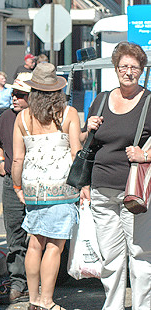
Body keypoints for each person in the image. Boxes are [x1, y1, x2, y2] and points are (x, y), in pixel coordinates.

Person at [81, 41, 151, 310]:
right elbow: (86, 143)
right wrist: (88, 128)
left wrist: (145, 156)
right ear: (115, 68)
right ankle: (113, 306)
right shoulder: (101, 100)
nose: (128, 71)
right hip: (101, 190)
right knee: (110, 257)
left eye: (134, 67)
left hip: (135, 192)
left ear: (141, 70)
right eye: (124, 66)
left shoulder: (148, 101)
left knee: (140, 255)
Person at [12, 63, 81, 310]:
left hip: (32, 188)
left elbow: (18, 158)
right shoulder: (68, 113)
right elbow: (76, 153)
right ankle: (47, 300)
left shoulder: (22, 118)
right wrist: (83, 186)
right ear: (57, 90)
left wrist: (18, 187)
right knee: (54, 245)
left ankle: (32, 299)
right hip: (61, 188)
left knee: (34, 242)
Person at [0, 72, 32, 305]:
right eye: (13, 93)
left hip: (35, 181)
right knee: (15, 231)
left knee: (36, 234)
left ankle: (36, 284)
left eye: (20, 95)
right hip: (11, 182)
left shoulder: (38, 118)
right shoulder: (6, 117)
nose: (14, 98)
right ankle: (17, 282)